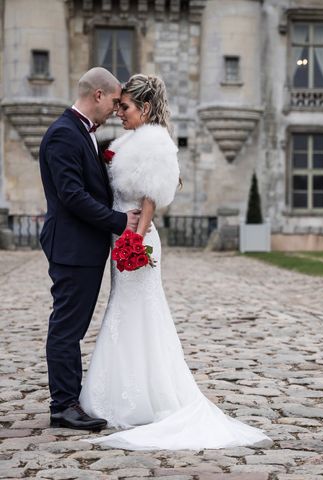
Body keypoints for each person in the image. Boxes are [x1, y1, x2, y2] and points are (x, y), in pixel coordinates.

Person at [78, 74, 271, 450]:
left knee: (136, 313)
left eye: (126, 107)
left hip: (137, 239)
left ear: (145, 108)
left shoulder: (154, 143)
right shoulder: (128, 140)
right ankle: (123, 392)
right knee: (123, 312)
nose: (119, 112)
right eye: (118, 105)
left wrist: (135, 240)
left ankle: (144, 398)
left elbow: (149, 198)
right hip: (122, 236)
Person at [39, 67, 141, 431]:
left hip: (82, 246)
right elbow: (71, 196)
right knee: (67, 327)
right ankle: (63, 405)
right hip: (71, 246)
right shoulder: (64, 134)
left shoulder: (81, 134)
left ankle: (69, 399)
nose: (117, 108)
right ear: (98, 95)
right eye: (115, 100)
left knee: (73, 325)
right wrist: (119, 222)